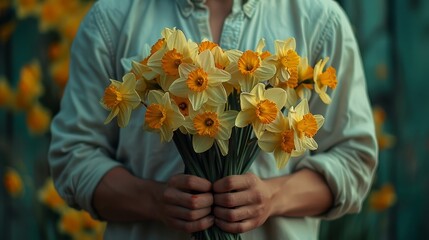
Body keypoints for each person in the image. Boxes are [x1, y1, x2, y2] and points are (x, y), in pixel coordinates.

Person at [48, 0, 378, 239]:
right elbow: (73, 156)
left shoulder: (320, 20)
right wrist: (152, 200)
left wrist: (274, 198)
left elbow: (355, 162)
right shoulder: (112, 18)